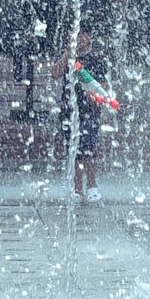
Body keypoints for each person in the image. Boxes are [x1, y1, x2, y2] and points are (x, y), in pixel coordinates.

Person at [51, 30, 109, 203]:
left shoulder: (97, 58)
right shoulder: (67, 57)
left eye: (82, 35)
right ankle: (77, 188)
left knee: (89, 148)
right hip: (69, 110)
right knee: (73, 150)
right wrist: (68, 55)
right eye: (75, 36)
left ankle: (92, 185)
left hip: (90, 111)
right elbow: (54, 72)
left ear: (89, 37)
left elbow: (104, 85)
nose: (79, 39)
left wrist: (95, 95)